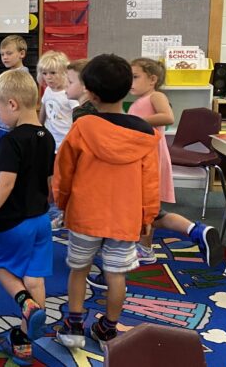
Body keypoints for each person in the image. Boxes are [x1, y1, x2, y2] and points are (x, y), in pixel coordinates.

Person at [53, 54, 160, 351]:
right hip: (124, 219)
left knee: (79, 269)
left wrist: (62, 203)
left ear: (91, 92)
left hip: (85, 214)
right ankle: (108, 330)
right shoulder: (145, 133)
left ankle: (74, 324)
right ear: (127, 90)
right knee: (116, 275)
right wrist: (147, 218)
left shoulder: (83, 127)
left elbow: (63, 172)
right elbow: (150, 182)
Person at [0, 70, 55, 366]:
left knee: (3, 269)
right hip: (41, 220)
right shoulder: (47, 136)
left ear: (13, 104)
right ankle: (22, 342)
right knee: (35, 277)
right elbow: (49, 180)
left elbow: (4, 184)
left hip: (12, 223)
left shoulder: (12, 141)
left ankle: (27, 307)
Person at [127, 58, 223, 267]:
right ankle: (149, 245)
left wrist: (135, 121)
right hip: (142, 156)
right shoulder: (138, 101)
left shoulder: (156, 96)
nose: (130, 81)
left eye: (135, 77)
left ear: (152, 79)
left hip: (151, 157)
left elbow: (168, 117)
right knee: (146, 208)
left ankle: (146, 248)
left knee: (147, 209)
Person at [0, 35, 29, 160]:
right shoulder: (7, 74)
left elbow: (18, 100)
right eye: (2, 54)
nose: (5, 57)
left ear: (21, 54)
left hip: (10, 128)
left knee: (5, 160)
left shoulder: (22, 75)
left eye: (9, 53)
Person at [37, 50, 78, 151]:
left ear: (64, 72)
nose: (48, 77)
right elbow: (43, 111)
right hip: (50, 140)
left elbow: (78, 116)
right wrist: (38, 129)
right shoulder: (47, 91)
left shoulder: (69, 93)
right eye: (44, 73)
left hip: (66, 141)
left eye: (53, 73)